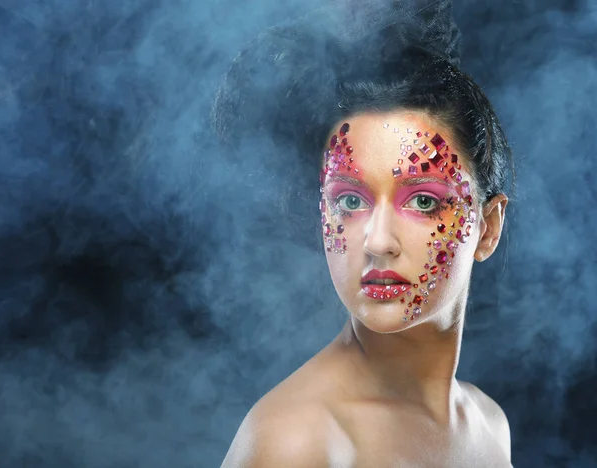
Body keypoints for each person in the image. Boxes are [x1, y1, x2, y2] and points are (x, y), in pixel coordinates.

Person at [214, 1, 515, 466]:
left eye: (423, 201)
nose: (377, 242)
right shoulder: (295, 442)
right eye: (350, 201)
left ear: (488, 228)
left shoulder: (489, 425)